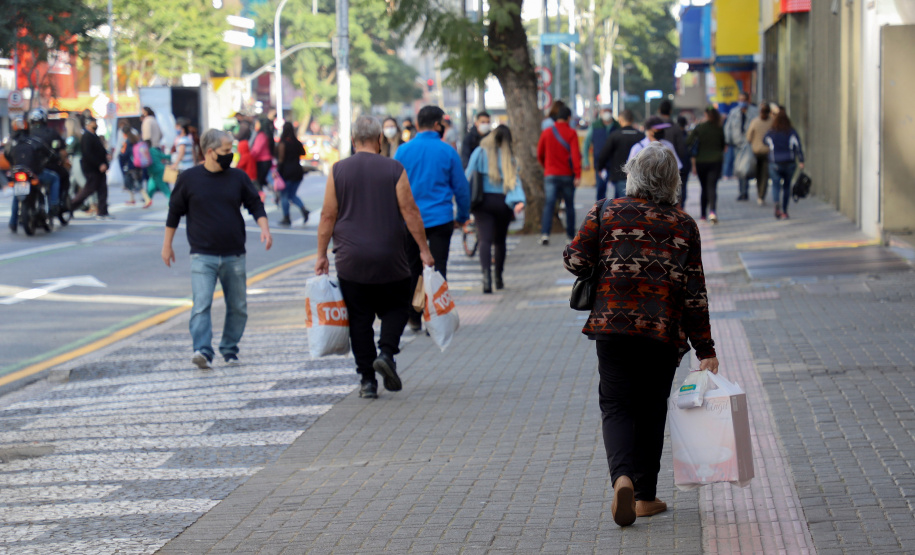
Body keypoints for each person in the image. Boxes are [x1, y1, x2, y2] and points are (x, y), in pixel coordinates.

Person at [562, 142, 719, 527]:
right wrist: (706, 349)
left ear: (632, 174)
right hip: (662, 332)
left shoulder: (605, 211)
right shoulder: (684, 225)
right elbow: (694, 291)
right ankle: (645, 497)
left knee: (616, 406)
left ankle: (622, 479)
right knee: (651, 409)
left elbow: (575, 260)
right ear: (673, 182)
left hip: (612, 328)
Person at [315, 116, 435, 399]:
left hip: (350, 259)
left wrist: (321, 254)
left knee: (359, 318)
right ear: (380, 139)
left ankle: (367, 381)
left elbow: (328, 215)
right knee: (396, 308)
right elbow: (410, 212)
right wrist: (424, 250)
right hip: (390, 256)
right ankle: (387, 352)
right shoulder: (394, 168)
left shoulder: (338, 170)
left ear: (353, 140)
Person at [161, 129, 272, 370]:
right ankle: (202, 349)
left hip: (234, 254)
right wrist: (167, 245)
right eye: (225, 151)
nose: (230, 155)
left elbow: (255, 203)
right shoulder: (189, 179)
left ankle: (230, 348)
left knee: (238, 306)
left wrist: (264, 227)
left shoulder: (238, 178)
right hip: (202, 255)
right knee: (201, 304)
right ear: (210, 152)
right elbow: (174, 212)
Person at [394, 105, 470, 331]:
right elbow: (461, 188)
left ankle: (415, 315)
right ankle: (434, 317)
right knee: (438, 268)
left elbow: (394, 187)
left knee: (413, 269)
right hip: (440, 219)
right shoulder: (447, 152)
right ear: (437, 125)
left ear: (418, 125)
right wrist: (462, 216)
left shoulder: (403, 152)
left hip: (409, 221)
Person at [465, 125, 526, 293]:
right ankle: (499, 278)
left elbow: (468, 175)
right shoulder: (510, 158)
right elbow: (516, 180)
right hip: (503, 202)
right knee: (500, 241)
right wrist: (520, 201)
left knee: (484, 240)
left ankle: (486, 279)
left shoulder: (479, 152)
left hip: (482, 201)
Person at [537, 104, 581, 245]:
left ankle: (545, 234)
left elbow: (540, 154)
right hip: (567, 175)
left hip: (550, 174)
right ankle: (570, 236)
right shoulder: (571, 133)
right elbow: (575, 155)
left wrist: (547, 167)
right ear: (568, 118)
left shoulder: (547, 132)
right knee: (569, 205)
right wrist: (578, 174)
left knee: (549, 204)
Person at [686, 107, 726, 223]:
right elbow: (723, 144)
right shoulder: (719, 128)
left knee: (703, 187)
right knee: (712, 186)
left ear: (705, 115)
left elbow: (688, 141)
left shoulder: (699, 128)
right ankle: (712, 211)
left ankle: (703, 214)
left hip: (701, 162)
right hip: (716, 161)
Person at [764, 107, 805, 220]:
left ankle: (776, 202)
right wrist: (801, 160)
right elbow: (798, 146)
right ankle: (785, 211)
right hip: (789, 162)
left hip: (775, 162)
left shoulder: (771, 132)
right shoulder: (791, 132)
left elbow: (764, 140)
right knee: (787, 186)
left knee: (775, 185)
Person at [27, 109, 66, 222]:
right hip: (43, 168)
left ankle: (14, 219)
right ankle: (54, 204)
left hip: (29, 169)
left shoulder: (26, 134)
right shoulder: (51, 133)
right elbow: (62, 151)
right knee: (57, 178)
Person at [596, 109, 644, 200]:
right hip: (638, 176)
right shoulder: (641, 136)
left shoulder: (615, 135)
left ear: (620, 120)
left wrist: (600, 167)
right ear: (632, 119)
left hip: (619, 175)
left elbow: (604, 153)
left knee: (621, 202)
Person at [70, 116, 111, 220]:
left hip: (99, 169)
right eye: (93, 122)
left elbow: (100, 150)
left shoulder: (93, 136)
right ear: (88, 124)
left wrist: (106, 158)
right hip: (92, 169)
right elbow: (88, 154)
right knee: (88, 190)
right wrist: (99, 164)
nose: (95, 124)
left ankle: (102, 212)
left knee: (102, 191)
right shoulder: (87, 137)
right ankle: (70, 207)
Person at [723, 92, 759, 201]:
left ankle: (746, 190)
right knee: (739, 169)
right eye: (740, 99)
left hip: (749, 144)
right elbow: (728, 128)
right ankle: (742, 191)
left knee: (747, 168)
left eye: (743, 99)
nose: (741, 102)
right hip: (737, 144)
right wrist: (727, 141)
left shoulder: (755, 112)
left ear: (748, 100)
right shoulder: (734, 112)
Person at [581, 104, 620, 201]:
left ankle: (616, 212)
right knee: (600, 190)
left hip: (615, 163)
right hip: (600, 163)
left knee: (619, 192)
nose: (606, 113)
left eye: (608, 110)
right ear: (600, 112)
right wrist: (586, 161)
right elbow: (586, 144)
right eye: (604, 110)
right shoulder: (595, 126)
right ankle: (600, 213)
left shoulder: (617, 126)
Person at [276, 122, 310, 226]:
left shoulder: (283, 143)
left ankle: (286, 217)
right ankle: (303, 209)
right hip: (298, 171)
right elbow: (303, 153)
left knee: (285, 195)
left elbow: (281, 159)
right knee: (292, 195)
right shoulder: (297, 142)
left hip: (287, 172)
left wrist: (278, 172)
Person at [657, 100, 690, 207]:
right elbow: (681, 149)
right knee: (677, 188)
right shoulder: (675, 127)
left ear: (659, 110)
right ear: (670, 111)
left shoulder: (653, 126)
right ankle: (679, 210)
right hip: (673, 164)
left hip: (656, 164)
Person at [745, 102, 774, 205]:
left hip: (756, 151)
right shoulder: (772, 122)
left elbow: (748, 137)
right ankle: (762, 195)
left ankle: (759, 194)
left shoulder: (755, 122)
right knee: (765, 175)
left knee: (758, 174)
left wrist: (754, 141)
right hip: (768, 152)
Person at [119, 123, 143, 205]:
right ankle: (133, 198)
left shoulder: (127, 141)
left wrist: (120, 155)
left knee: (130, 181)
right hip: (137, 163)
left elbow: (125, 153)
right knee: (136, 181)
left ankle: (145, 198)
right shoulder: (135, 139)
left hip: (130, 164)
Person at [250, 118, 275, 192]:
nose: (256, 125)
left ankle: (260, 197)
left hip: (262, 161)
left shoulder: (262, 135)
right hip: (266, 160)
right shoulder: (267, 135)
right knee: (262, 181)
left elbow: (256, 150)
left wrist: (249, 156)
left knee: (259, 182)